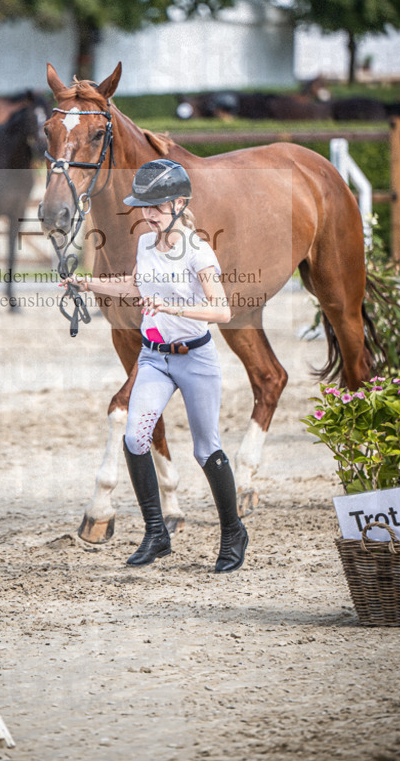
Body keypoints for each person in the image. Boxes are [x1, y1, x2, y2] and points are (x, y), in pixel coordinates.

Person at [65, 158, 248, 572]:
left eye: (156, 208)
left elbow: (222, 311)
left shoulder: (199, 252)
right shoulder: (146, 244)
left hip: (196, 359)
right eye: (143, 208)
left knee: (207, 449)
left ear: (180, 203)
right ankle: (155, 532)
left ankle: (233, 531)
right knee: (134, 438)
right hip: (154, 358)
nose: (147, 216)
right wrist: (88, 283)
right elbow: (137, 285)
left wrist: (171, 306)